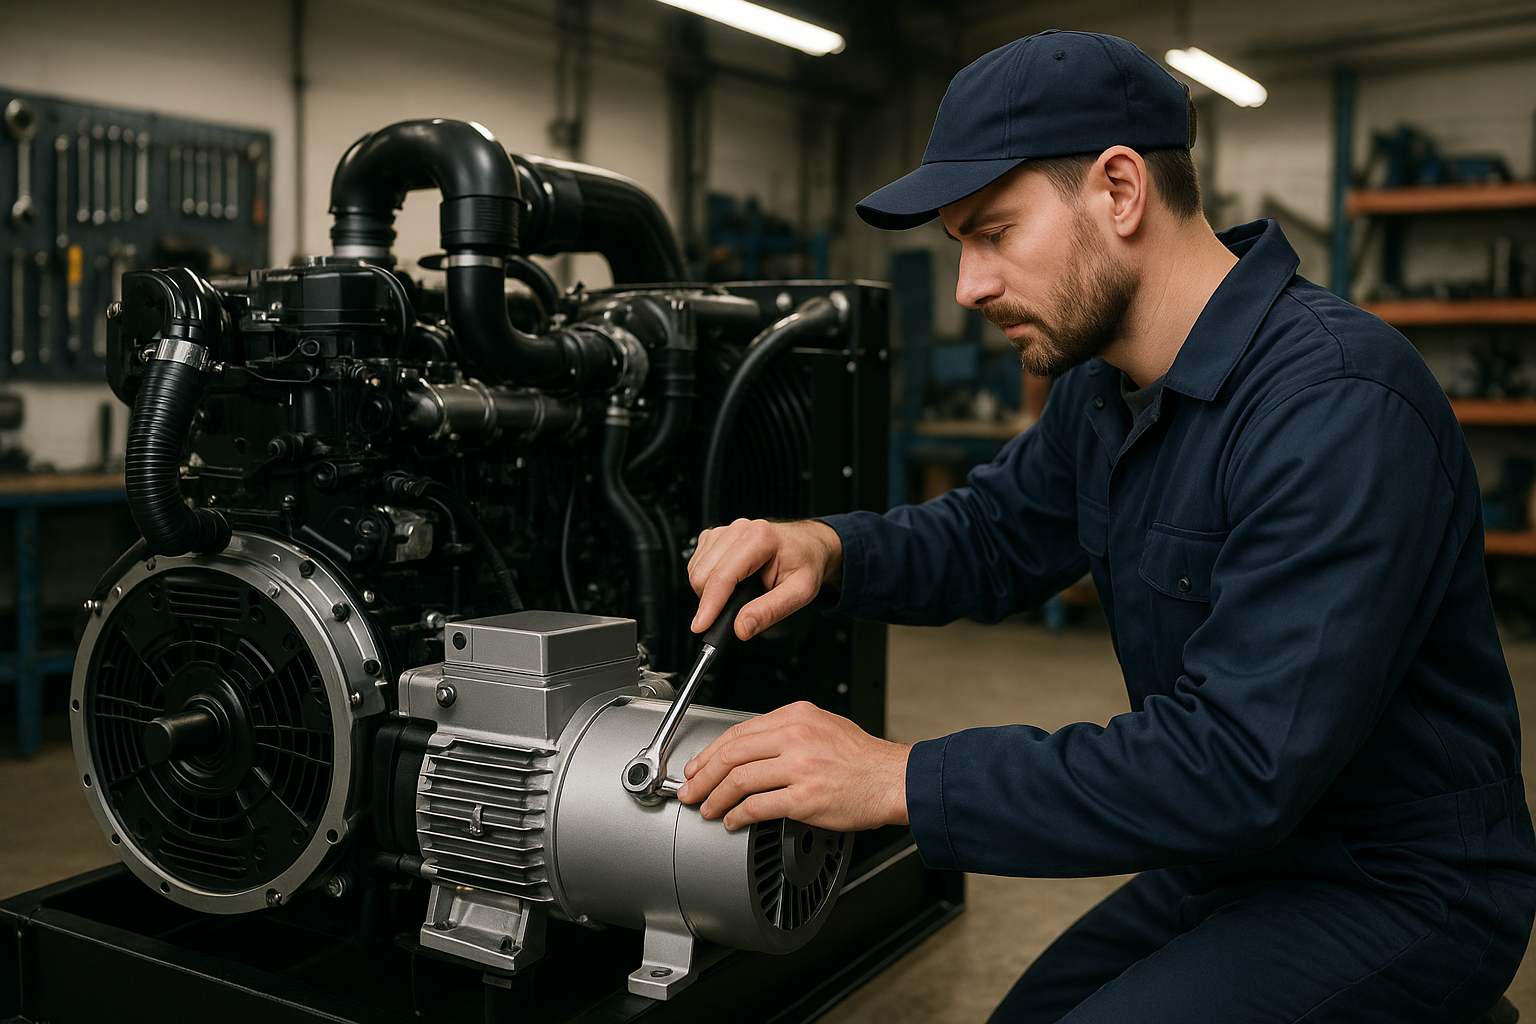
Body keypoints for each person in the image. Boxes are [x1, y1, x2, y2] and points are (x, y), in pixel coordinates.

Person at [676, 29, 1536, 1024]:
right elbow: (993, 533)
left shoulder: (1336, 406)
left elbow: (1236, 764)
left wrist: (900, 777)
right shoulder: (1104, 392)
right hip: (1232, 858)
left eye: (994, 233)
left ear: (1120, 190)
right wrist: (825, 549)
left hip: (1396, 885)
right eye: (960, 246)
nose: (969, 286)